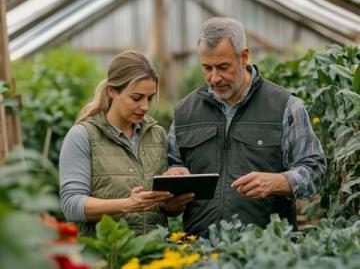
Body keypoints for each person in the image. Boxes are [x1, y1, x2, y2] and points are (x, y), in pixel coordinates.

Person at [163, 17, 326, 237]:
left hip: (266, 248)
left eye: (223, 67)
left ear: (244, 57)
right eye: (207, 67)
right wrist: (171, 190)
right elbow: (173, 166)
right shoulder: (185, 112)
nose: (214, 77)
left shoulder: (285, 106)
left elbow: (314, 169)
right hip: (199, 248)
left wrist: (278, 182)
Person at [59, 50, 173, 237]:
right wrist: (127, 204)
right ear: (112, 91)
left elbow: (164, 209)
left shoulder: (156, 134)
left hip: (154, 254)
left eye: (150, 98)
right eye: (136, 98)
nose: (145, 106)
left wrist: (172, 203)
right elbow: (71, 205)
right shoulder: (83, 136)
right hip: (105, 256)